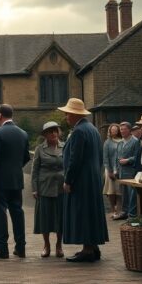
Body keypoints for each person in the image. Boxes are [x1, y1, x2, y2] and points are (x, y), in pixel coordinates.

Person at [58, 98, 108, 263]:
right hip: (92, 178)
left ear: (73, 114)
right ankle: (93, 247)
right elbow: (99, 157)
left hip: (81, 180)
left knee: (83, 213)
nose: (66, 116)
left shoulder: (79, 131)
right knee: (91, 212)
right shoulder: (92, 129)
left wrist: (68, 180)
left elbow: (75, 159)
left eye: (67, 113)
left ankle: (87, 250)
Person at [0, 104, 30, 259]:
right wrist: (15, 169)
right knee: (17, 212)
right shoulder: (23, 133)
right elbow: (26, 157)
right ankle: (21, 247)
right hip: (16, 179)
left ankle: (2, 249)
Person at [31, 121, 65, 258]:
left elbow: (69, 165)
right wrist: (34, 188)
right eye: (50, 131)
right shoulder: (40, 149)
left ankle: (59, 245)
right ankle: (46, 245)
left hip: (61, 187)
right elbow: (35, 170)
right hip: (44, 187)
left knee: (60, 217)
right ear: (45, 135)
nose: (53, 133)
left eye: (55, 130)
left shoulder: (65, 146)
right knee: (44, 218)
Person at [116, 122, 140, 219]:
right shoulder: (120, 142)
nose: (122, 131)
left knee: (131, 194)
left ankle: (132, 214)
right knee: (124, 193)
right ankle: (124, 211)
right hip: (122, 172)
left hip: (131, 171)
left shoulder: (135, 141)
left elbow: (137, 157)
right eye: (121, 129)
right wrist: (116, 169)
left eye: (124, 129)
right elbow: (116, 157)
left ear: (129, 130)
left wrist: (128, 160)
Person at [102, 123, 123, 219]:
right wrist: (109, 171)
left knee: (119, 190)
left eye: (115, 129)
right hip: (110, 168)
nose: (114, 131)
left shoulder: (122, 141)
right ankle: (113, 210)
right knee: (111, 191)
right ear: (109, 132)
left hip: (120, 169)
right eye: (112, 130)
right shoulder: (107, 142)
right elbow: (105, 158)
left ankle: (119, 211)